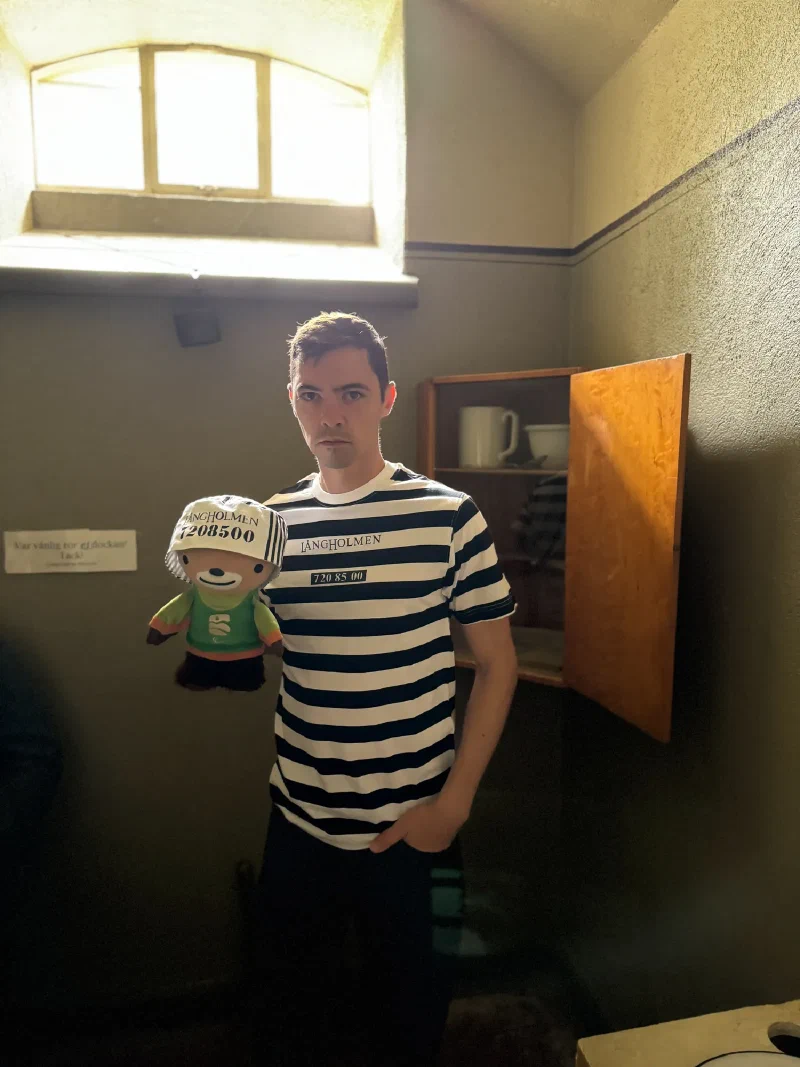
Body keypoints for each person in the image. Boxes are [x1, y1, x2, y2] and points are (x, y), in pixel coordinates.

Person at [253, 312, 518, 1066]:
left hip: (416, 831)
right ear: (292, 400)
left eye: (351, 393)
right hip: (299, 822)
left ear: (387, 398)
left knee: (410, 1021)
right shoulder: (270, 524)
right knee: (293, 1022)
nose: (330, 414)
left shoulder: (448, 516)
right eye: (311, 395)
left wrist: (454, 805)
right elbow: (251, 658)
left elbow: (497, 664)